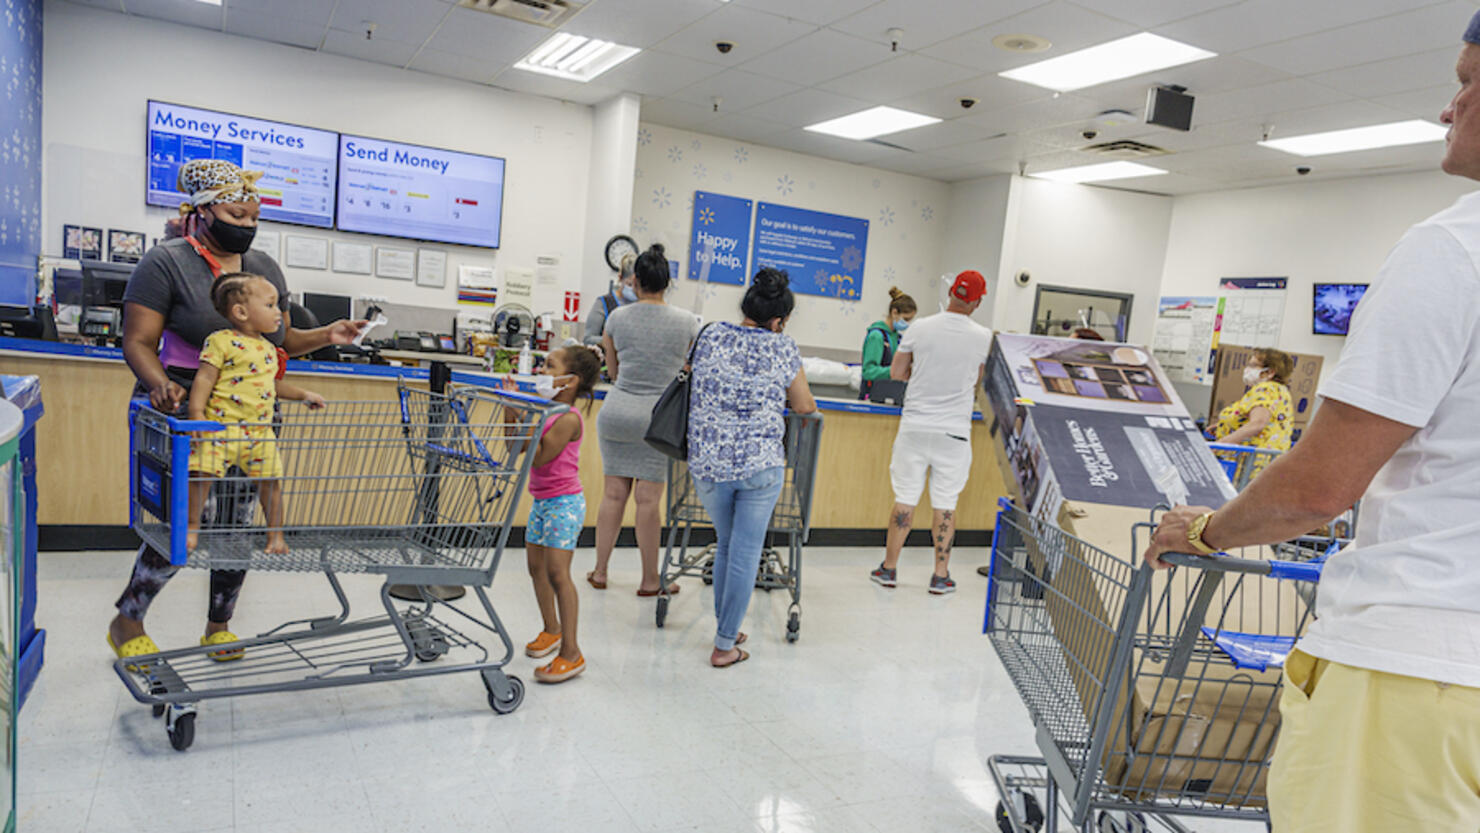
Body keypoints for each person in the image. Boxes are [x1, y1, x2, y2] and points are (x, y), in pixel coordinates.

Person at [1145, 17, 1480, 830]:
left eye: (1469, 81)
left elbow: (1319, 488)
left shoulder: (1453, 250)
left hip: (1414, 675)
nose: (1449, 107)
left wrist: (1204, 531)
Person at [108, 158, 366, 668]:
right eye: (235, 214)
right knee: (186, 519)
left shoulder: (264, 268)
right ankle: (129, 619)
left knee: (234, 524)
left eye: (253, 217)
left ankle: (218, 625)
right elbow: (137, 341)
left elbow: (281, 338)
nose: (246, 225)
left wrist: (328, 334)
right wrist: (160, 386)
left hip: (249, 417)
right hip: (186, 413)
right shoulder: (165, 263)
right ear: (203, 211)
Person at [688, 268, 817, 667]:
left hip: (708, 465)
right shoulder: (783, 348)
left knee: (727, 545)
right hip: (759, 467)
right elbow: (803, 406)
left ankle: (726, 626)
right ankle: (724, 645)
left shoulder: (709, 334)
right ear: (779, 321)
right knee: (745, 552)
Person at [870, 270, 992, 595]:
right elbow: (979, 380)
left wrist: (922, 373)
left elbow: (897, 372)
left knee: (905, 499)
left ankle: (889, 569)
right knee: (946, 503)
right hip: (954, 432)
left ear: (951, 292)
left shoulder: (920, 327)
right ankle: (940, 576)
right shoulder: (983, 337)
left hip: (915, 426)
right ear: (978, 302)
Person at [185, 273, 325, 553]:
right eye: (271, 305)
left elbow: (270, 385)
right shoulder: (220, 341)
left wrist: (303, 395)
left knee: (270, 484)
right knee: (200, 477)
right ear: (241, 312)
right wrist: (197, 411)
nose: (279, 313)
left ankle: (276, 536)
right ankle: (191, 529)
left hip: (260, 433)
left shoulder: (270, 349)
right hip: (220, 428)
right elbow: (204, 378)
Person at [589, 243, 697, 594]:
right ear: (667, 282)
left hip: (618, 414)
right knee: (648, 501)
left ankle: (600, 572)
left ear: (635, 281)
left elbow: (614, 371)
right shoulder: (687, 323)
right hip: (658, 420)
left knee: (613, 494)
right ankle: (651, 579)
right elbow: (689, 370)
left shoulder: (617, 317)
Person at [510, 345, 602, 684]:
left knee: (558, 574)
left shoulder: (567, 419)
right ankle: (551, 629)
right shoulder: (547, 411)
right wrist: (510, 408)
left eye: (550, 365)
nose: (542, 370)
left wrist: (520, 415)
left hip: (564, 504)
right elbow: (515, 446)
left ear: (571, 380)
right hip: (543, 502)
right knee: (535, 568)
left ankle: (571, 652)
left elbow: (539, 457)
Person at [1211, 347, 1294, 478]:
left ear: (1270, 372)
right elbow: (1268, 422)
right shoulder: (1280, 390)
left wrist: (1220, 445)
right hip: (1266, 465)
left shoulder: (1265, 389)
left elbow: (1258, 423)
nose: (1247, 369)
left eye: (1254, 365)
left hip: (1249, 465)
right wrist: (1223, 425)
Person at [859, 287, 917, 400]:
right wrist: (896, 371)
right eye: (905, 319)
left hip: (892, 395)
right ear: (894, 312)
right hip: (872, 398)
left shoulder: (898, 338)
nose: (907, 324)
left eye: (910, 320)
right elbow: (868, 371)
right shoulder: (877, 336)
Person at [583, 252, 637, 347]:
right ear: (620, 278)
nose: (633, 289)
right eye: (629, 284)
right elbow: (588, 339)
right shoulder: (604, 303)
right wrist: (616, 340)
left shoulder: (640, 304)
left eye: (637, 286)